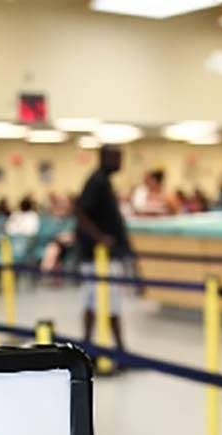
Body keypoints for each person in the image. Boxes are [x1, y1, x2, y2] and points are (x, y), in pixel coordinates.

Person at [74, 144, 132, 356]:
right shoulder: (97, 181)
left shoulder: (102, 181)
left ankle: (93, 346)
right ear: (105, 157)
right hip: (99, 257)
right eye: (117, 157)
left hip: (98, 256)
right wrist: (100, 238)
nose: (120, 162)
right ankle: (118, 352)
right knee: (109, 303)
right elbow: (80, 211)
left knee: (95, 301)